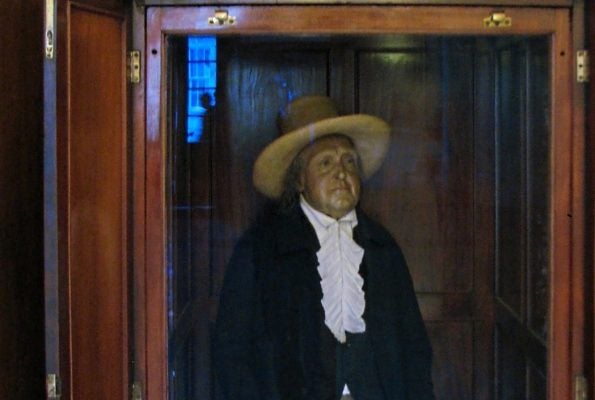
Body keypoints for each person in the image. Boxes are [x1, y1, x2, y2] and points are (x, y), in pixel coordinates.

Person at [213, 96, 435, 400]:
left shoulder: (383, 248)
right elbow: (232, 352)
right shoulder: (262, 249)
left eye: (349, 162)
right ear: (300, 180)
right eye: (326, 163)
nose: (341, 174)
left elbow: (413, 347)